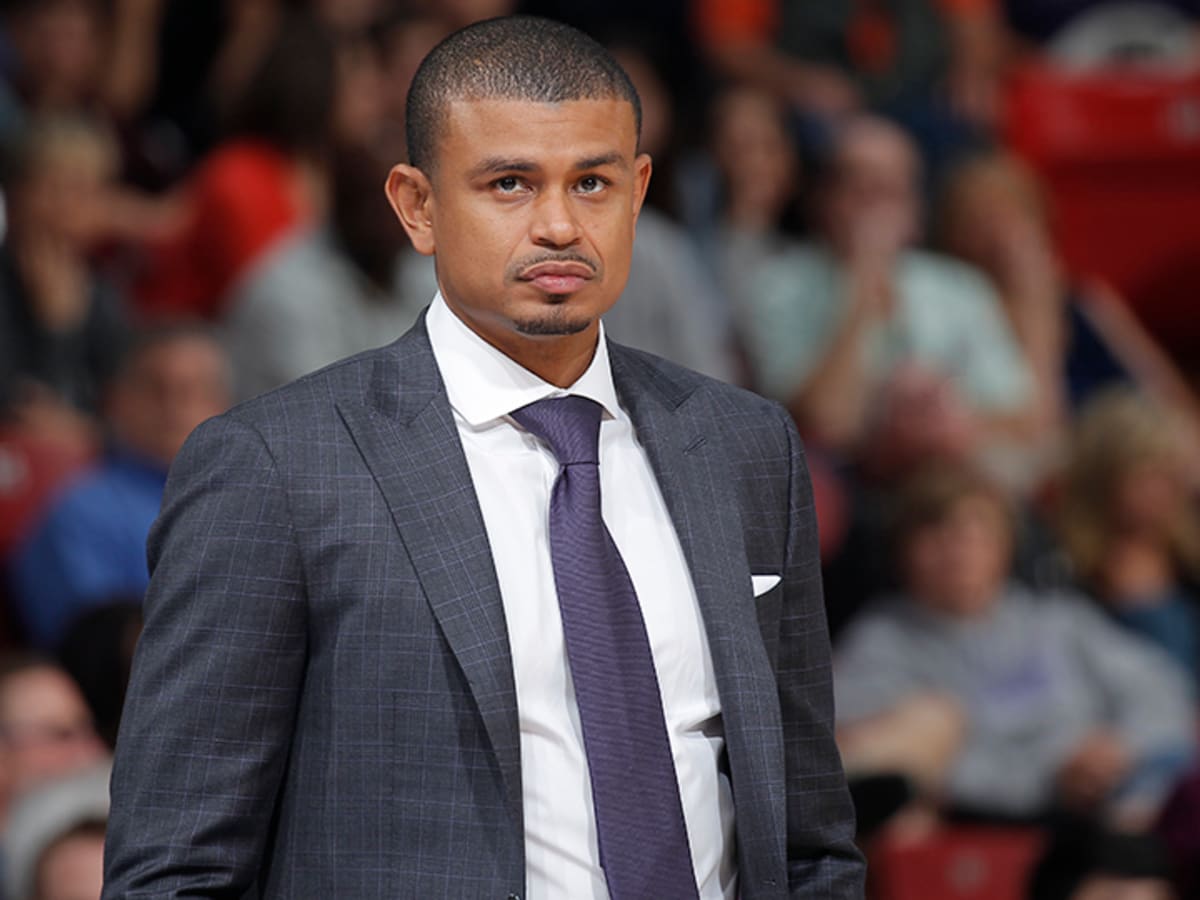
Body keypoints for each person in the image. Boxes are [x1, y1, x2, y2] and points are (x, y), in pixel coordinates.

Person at [102, 15, 863, 900]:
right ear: (417, 206)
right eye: (510, 184)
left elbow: (810, 837)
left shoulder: (745, 446)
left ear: (639, 192)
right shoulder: (274, 467)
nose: (559, 225)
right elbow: (176, 869)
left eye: (592, 183)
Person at [833, 465, 1196, 829]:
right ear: (903, 549)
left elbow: (1162, 692)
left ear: (1006, 546)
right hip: (982, 826)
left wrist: (1120, 749)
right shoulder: (880, 641)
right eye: (937, 533)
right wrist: (1050, 779)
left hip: (1111, 805)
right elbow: (876, 767)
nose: (958, 551)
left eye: (977, 534)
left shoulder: (1056, 621)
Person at [9, 326, 232, 650]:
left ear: (226, 406)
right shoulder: (81, 512)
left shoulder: (259, 502)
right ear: (115, 400)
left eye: (194, 389)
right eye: (154, 387)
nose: (174, 404)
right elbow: (97, 652)